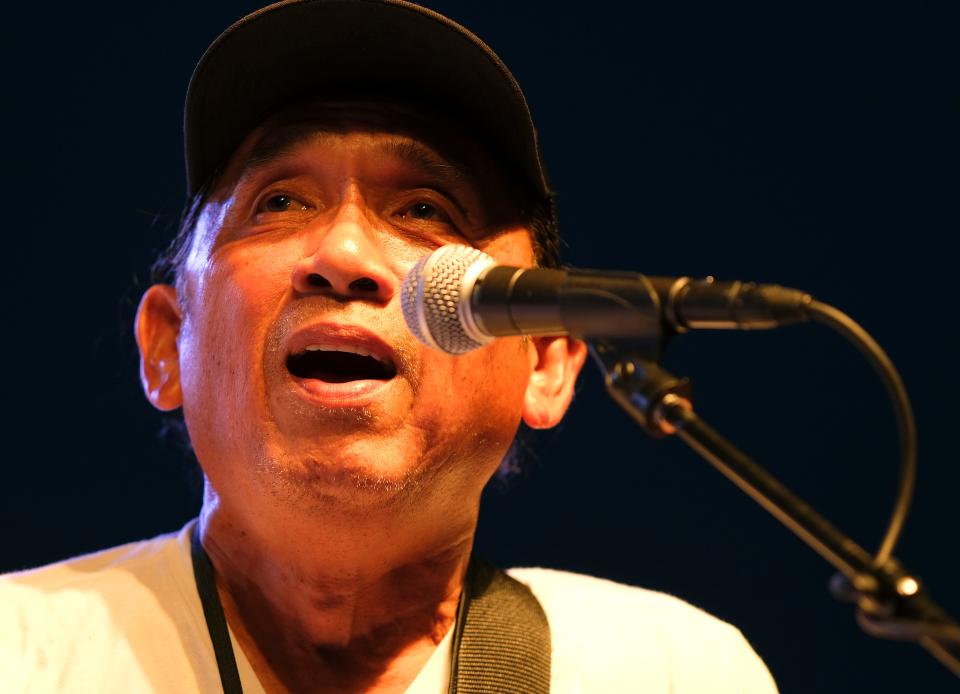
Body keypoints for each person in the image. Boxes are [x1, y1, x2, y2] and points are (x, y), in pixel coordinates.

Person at [0, 1, 777, 692]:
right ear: (168, 343)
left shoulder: (672, 672)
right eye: (278, 201)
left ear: (542, 363)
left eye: (426, 209)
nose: (343, 254)